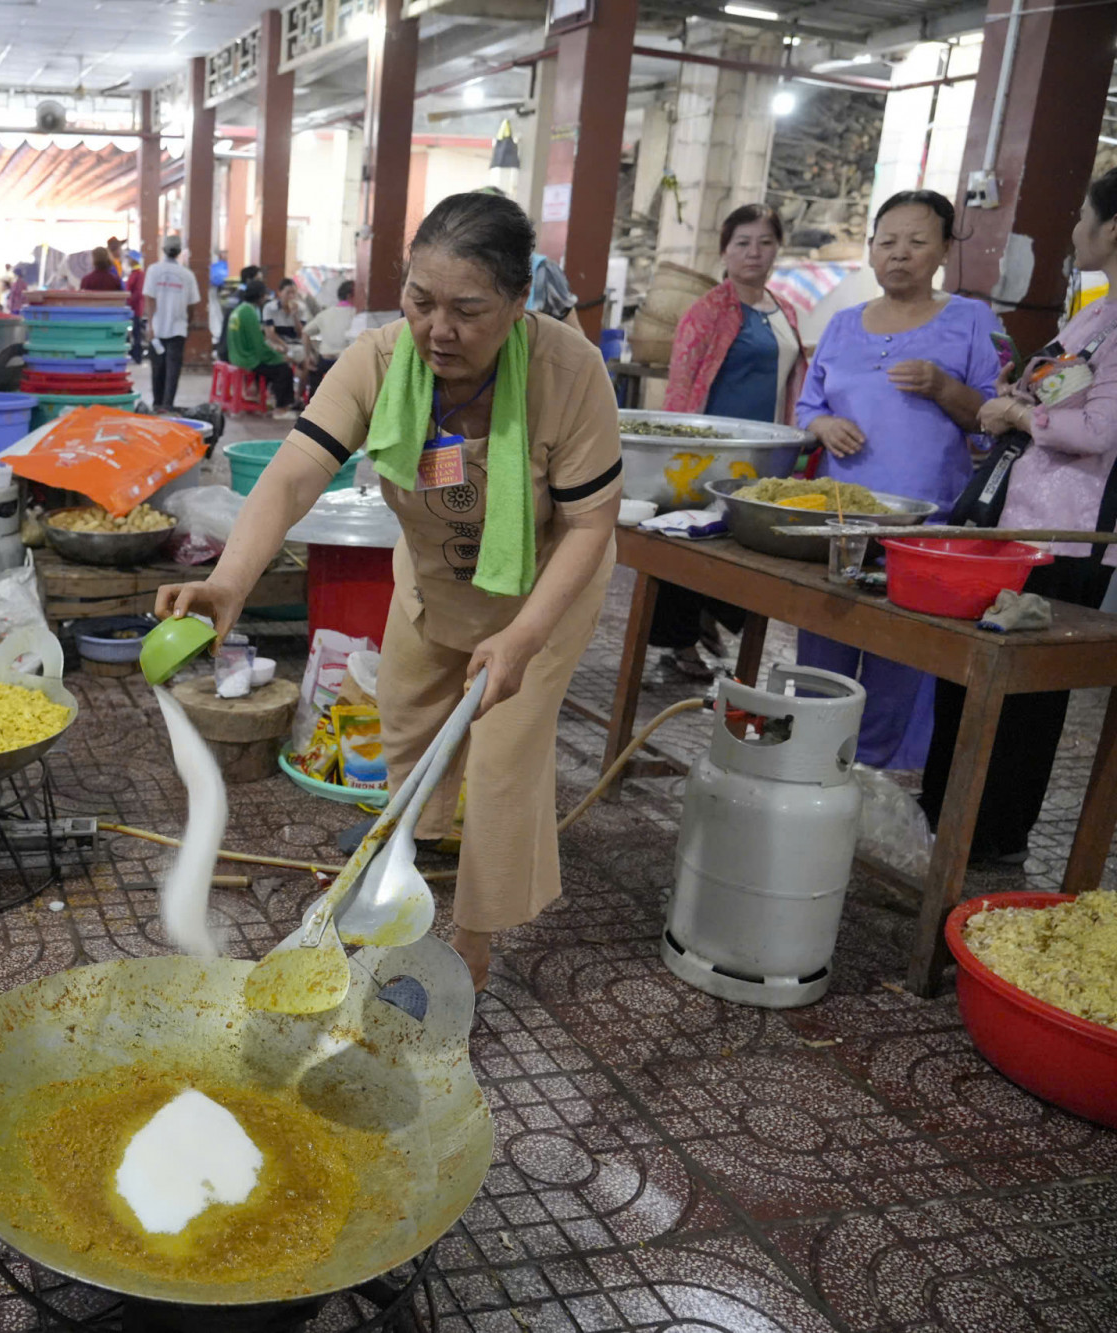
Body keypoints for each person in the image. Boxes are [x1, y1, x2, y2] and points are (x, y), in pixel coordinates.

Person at [158, 192, 623, 990]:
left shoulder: (569, 373)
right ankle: (419, 850)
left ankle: (468, 956)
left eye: (468, 309)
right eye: (420, 300)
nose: (438, 329)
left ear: (518, 304)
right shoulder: (378, 360)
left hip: (540, 597)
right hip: (436, 578)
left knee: (506, 764)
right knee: (407, 723)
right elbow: (299, 467)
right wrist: (231, 579)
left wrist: (519, 639)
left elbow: (589, 527)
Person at [921, 168, 1117, 865]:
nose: (1073, 230)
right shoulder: (1096, 312)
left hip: (1067, 536)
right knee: (973, 679)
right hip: (1021, 521)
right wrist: (1022, 395)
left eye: (1081, 216)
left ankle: (992, 837)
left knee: (1027, 698)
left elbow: (1098, 431)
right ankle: (945, 818)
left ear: (1111, 229)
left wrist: (1018, 415)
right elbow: (1064, 393)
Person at [794, 189, 1009, 770]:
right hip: (840, 520)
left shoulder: (973, 321)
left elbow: (997, 423)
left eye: (917, 242)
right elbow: (806, 406)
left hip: (926, 526)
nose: (900, 254)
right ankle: (812, 766)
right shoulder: (841, 325)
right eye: (887, 241)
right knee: (824, 648)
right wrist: (825, 423)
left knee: (903, 658)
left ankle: (884, 779)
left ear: (943, 250)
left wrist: (945, 388)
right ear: (870, 251)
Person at [653, 203, 807, 679]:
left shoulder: (786, 312)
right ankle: (679, 644)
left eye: (764, 242)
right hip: (710, 456)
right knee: (694, 542)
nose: (753, 253)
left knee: (744, 545)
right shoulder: (707, 311)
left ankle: (708, 622)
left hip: (765, 454)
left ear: (778, 249)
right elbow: (680, 386)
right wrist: (676, 454)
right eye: (742, 243)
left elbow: (794, 380)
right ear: (724, 251)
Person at [143, 236, 202, 411]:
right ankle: (167, 405)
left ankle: (157, 403)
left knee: (157, 368)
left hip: (157, 329)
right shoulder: (187, 275)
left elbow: (150, 299)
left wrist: (151, 325)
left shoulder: (153, 270)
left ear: (163, 250)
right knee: (173, 370)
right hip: (178, 329)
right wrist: (187, 323)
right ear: (178, 252)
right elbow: (192, 305)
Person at [227, 278, 295, 417]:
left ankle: (259, 396)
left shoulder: (239, 310)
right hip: (247, 358)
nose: (265, 298)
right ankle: (281, 409)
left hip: (236, 355)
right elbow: (259, 348)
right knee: (284, 370)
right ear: (259, 296)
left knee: (273, 367)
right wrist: (279, 357)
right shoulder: (249, 313)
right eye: (264, 295)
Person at [126, 258, 147, 362]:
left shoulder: (139, 274)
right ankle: (135, 354)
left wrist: (128, 302)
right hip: (133, 307)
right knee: (134, 332)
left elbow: (138, 292)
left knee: (136, 332)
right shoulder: (134, 273)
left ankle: (137, 355)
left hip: (136, 308)